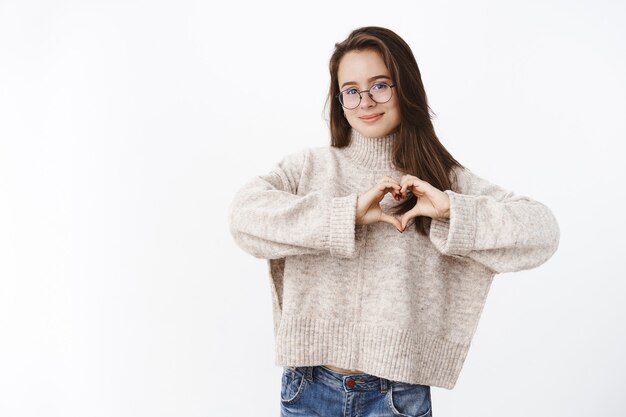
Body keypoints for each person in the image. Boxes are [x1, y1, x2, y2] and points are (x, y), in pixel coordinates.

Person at [228, 26, 560, 417]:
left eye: (380, 85)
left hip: (395, 397)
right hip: (308, 388)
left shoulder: (442, 180)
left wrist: (453, 211)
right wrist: (346, 214)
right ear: (339, 100)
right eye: (351, 90)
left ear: (406, 88)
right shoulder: (309, 168)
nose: (366, 101)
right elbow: (243, 217)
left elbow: (543, 232)